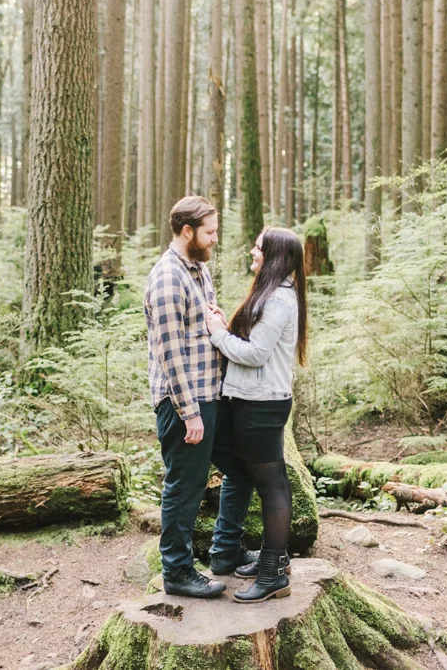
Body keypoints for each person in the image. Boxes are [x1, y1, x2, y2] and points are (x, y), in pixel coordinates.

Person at [144, 196, 257, 599]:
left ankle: (225, 552)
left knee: (242, 467)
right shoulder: (167, 279)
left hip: (213, 397)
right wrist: (190, 414)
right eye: (209, 232)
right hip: (184, 405)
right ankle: (176, 572)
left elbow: (202, 329)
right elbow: (170, 354)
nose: (215, 239)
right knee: (185, 487)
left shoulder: (199, 270)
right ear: (187, 231)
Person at [206, 227, 307, 604]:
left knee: (272, 487)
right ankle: (270, 563)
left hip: (262, 405)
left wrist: (218, 333)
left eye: (258, 247)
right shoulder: (274, 295)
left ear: (274, 256)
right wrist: (226, 323)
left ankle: (272, 574)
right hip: (256, 401)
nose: (252, 250)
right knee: (263, 480)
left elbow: (254, 354)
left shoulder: (280, 300)